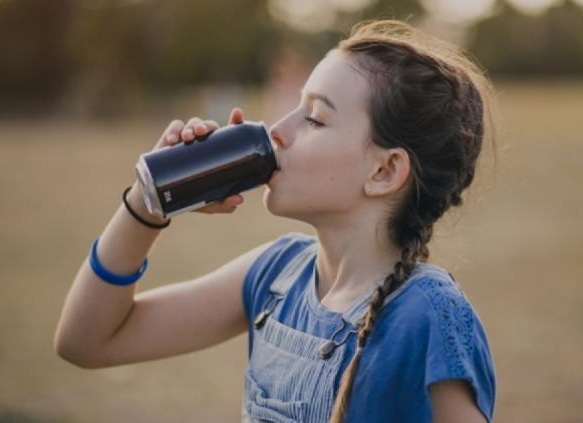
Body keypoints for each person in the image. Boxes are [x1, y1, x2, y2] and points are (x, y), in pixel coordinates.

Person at [55, 19, 498, 423]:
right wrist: (147, 203)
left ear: (384, 172)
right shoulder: (276, 274)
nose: (276, 130)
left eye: (315, 118)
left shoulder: (427, 315)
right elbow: (88, 341)